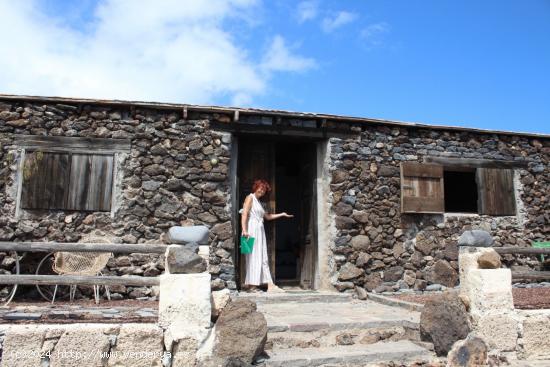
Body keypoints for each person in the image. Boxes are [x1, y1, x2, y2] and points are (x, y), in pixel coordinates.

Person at [241, 179, 293, 292]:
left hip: (259, 230)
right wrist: (244, 230)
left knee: (262, 256)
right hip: (251, 230)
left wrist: (282, 214)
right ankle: (252, 286)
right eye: (261, 188)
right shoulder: (250, 197)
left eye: (264, 189)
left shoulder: (259, 202)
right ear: (256, 187)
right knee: (252, 257)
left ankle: (268, 284)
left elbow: (268, 217)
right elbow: (244, 213)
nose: (262, 191)